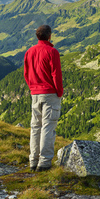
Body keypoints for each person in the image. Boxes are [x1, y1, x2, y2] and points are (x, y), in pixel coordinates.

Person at [24, 25, 63, 172]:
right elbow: (56, 75)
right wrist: (59, 92)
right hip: (50, 94)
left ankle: (33, 161)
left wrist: (33, 88)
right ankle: (45, 162)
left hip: (35, 94)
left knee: (35, 127)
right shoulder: (52, 52)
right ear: (49, 36)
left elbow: (26, 74)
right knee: (48, 127)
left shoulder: (29, 52)